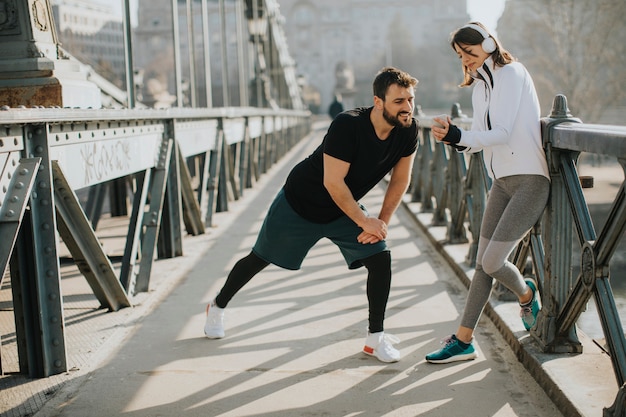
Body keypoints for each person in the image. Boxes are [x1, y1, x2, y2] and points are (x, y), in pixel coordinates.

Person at [204, 67, 419, 363]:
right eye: (399, 101)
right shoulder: (348, 125)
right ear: (378, 102)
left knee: (380, 258)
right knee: (260, 257)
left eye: (410, 99)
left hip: (343, 209)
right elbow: (333, 182)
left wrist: (379, 224)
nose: (407, 107)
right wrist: (363, 219)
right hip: (300, 203)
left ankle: (375, 339)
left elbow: (399, 180)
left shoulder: (409, 129)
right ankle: (217, 305)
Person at [425, 22, 550, 364]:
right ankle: (463, 340)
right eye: (460, 55)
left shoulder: (512, 74)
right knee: (482, 264)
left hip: (529, 181)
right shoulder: (479, 88)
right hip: (501, 182)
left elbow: (504, 132)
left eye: (469, 51)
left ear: (490, 43)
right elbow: (478, 140)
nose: (465, 59)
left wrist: (459, 138)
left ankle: (526, 294)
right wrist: (453, 135)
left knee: (493, 261)